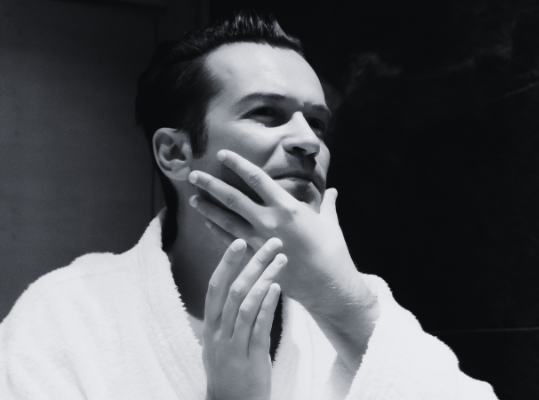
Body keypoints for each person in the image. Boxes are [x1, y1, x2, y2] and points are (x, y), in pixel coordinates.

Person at [0, 10, 497, 400]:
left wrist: (344, 303)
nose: (309, 141)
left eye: (318, 123)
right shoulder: (66, 317)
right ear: (175, 153)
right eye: (267, 113)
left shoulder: (355, 302)